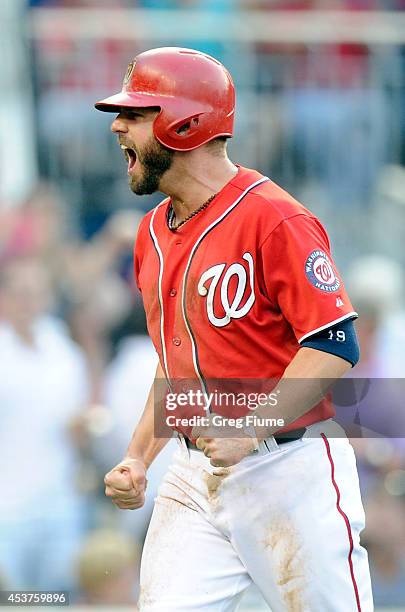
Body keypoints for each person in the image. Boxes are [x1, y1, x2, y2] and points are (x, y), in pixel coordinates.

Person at [96, 47, 373, 611]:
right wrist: (138, 456)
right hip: (194, 475)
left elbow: (334, 344)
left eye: (136, 113)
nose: (118, 126)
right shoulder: (151, 232)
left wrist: (252, 426)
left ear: (185, 123)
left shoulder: (275, 218)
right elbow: (176, 365)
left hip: (289, 467)